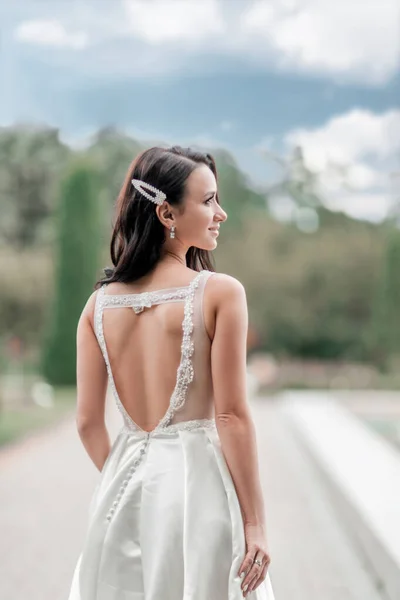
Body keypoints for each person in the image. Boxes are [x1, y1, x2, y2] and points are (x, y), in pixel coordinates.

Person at [68, 146, 275, 599]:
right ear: (167, 213)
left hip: (121, 492)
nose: (221, 213)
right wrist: (255, 524)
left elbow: (87, 423)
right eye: (208, 201)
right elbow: (232, 417)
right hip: (198, 490)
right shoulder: (220, 293)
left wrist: (125, 482)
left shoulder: (96, 305)